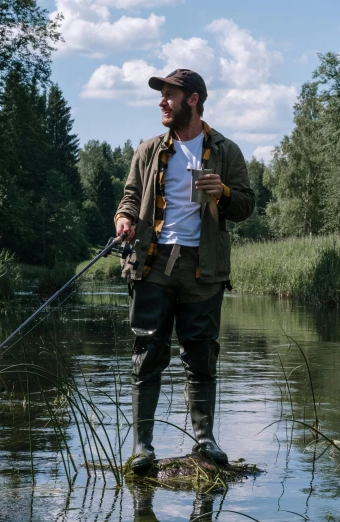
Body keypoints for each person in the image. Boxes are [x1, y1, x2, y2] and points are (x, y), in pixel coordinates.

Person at [114, 69, 254, 474]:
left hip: (203, 267)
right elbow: (129, 197)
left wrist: (222, 193)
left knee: (201, 354)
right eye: (162, 95)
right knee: (147, 351)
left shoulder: (226, 151)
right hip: (151, 262)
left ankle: (204, 441)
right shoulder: (148, 150)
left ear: (192, 99)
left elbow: (245, 206)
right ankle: (143, 447)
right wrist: (123, 219)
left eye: (169, 95)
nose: (162, 101)